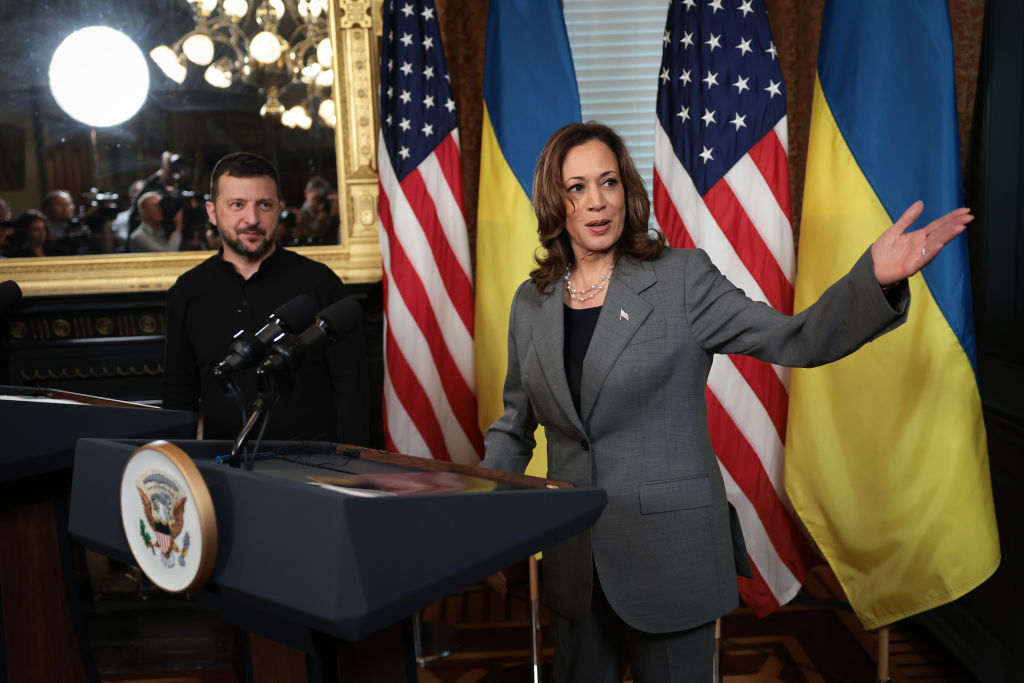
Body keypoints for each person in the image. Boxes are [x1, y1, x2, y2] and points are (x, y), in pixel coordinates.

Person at [478, 122, 971, 683]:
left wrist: (875, 281)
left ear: (626, 190)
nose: (596, 202)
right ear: (553, 200)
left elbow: (796, 339)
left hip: (670, 559)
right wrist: (490, 524)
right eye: (577, 187)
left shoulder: (682, 279)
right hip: (573, 565)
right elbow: (514, 426)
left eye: (609, 182)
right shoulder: (531, 302)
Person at [162, 152, 369, 444]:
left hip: (315, 469)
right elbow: (179, 394)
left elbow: (352, 387)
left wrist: (353, 468)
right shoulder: (187, 291)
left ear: (279, 208)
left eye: (264, 205)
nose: (253, 219)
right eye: (237, 205)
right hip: (222, 468)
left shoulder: (320, 282)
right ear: (212, 212)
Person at [293, 175, 338, 245]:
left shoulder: (326, 212)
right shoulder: (298, 217)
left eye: (322, 199)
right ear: (306, 194)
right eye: (316, 198)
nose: (319, 203)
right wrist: (320, 222)